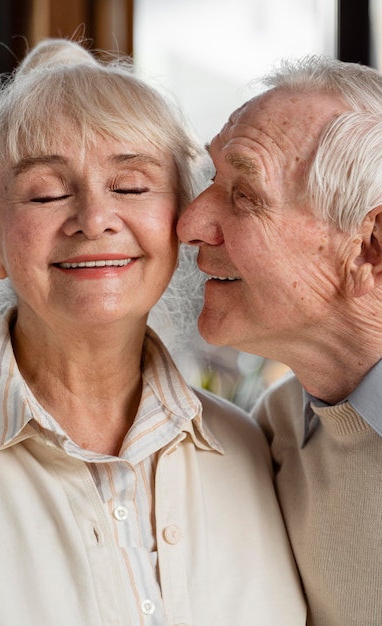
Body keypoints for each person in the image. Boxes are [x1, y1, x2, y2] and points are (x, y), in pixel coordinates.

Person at [0, 38, 305, 626]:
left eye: (130, 186)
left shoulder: (253, 451)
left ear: (183, 220)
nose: (95, 218)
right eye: (46, 192)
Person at [177, 54, 382, 626]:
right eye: (212, 180)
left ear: (371, 248)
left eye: (245, 194)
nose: (189, 223)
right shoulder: (274, 433)